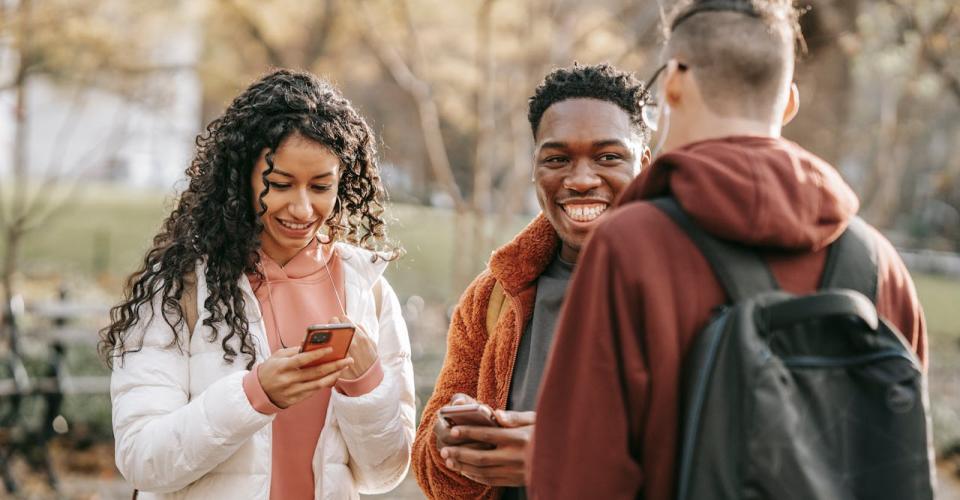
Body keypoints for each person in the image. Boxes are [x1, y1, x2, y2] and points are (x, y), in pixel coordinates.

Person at [528, 1, 928, 499]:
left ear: (673, 83)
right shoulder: (877, 264)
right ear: (788, 103)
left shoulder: (630, 248)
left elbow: (578, 479)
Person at [99, 69, 415, 499]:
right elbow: (143, 460)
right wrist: (255, 394)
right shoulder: (181, 288)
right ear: (241, 178)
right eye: (280, 184)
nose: (302, 208)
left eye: (321, 186)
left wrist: (367, 384)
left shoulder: (368, 290)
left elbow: (384, 474)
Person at [412, 63, 652, 499]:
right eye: (557, 159)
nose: (580, 180)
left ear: (645, 166)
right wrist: (449, 442)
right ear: (535, 169)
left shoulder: (683, 288)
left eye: (608, 157)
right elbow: (433, 475)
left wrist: (564, 456)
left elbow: (718, 454)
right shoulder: (494, 296)